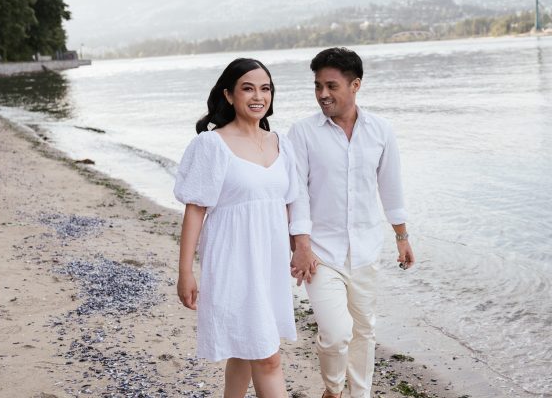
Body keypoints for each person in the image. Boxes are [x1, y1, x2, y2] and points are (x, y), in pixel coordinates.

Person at [288, 47, 415, 398]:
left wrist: (401, 236)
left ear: (355, 85)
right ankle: (333, 389)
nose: (323, 94)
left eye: (331, 86)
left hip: (365, 249)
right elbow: (296, 194)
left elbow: (390, 185)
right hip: (320, 252)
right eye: (317, 86)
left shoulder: (381, 130)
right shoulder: (301, 133)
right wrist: (301, 246)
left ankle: (359, 395)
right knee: (335, 333)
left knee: (363, 330)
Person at [175, 57, 300, 398]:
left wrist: (300, 248)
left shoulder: (280, 143)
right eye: (248, 88)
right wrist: (185, 271)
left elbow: (291, 203)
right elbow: (195, 210)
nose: (258, 96)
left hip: (269, 263)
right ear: (229, 95)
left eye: (265, 88)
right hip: (235, 261)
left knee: (246, 351)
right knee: (268, 358)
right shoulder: (212, 145)